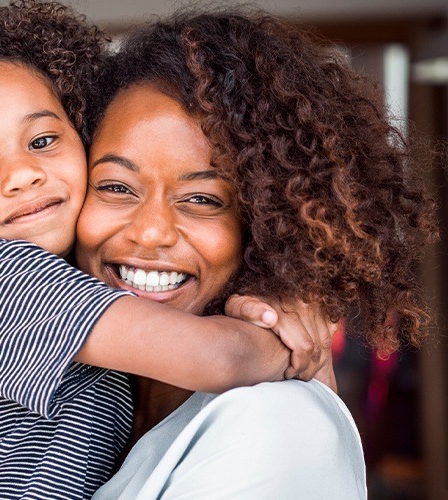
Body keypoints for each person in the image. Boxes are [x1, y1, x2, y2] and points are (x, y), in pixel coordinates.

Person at [0, 2, 331, 498]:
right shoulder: (1, 281)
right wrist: (285, 338)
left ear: (81, 142)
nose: (22, 174)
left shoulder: (80, 293)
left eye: (42, 140)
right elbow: (218, 359)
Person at [78, 6, 437, 499]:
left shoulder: (276, 423)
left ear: (268, 229)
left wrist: (271, 350)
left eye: (202, 199)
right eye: (117, 187)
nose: (151, 233)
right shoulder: (71, 402)